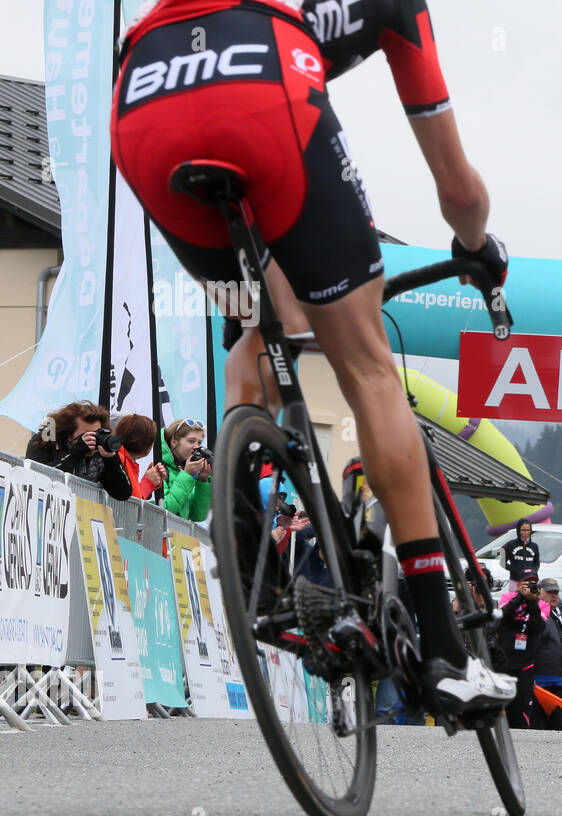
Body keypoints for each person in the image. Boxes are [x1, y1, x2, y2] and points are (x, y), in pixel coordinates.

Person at [110, 0, 516, 717]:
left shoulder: (283, 21)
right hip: (264, 95)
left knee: (265, 339)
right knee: (367, 368)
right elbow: (458, 192)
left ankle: (242, 552)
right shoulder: (375, 10)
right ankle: (447, 653)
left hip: (143, 99)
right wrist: (479, 246)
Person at [26, 402, 133, 501]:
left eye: (96, 433)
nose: (93, 439)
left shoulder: (99, 454)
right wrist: (76, 452)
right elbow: (41, 479)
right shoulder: (44, 442)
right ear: (68, 434)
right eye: (87, 435)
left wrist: (111, 459)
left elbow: (122, 493)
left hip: (80, 515)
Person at [496, 570, 547, 728]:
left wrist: (532, 602)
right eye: (527, 583)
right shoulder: (507, 598)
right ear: (518, 584)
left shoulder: (542, 604)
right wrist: (520, 597)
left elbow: (538, 627)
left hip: (525, 662)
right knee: (499, 703)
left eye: (533, 583)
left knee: (522, 706)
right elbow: (502, 617)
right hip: (504, 660)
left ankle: (521, 735)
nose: (530, 586)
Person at [531, 577, 562, 729]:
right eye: (549, 592)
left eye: (556, 592)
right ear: (539, 593)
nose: (554, 595)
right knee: (536, 728)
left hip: (559, 684)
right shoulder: (534, 616)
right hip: (538, 685)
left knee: (558, 728)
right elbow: (529, 648)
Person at [158, 419, 213, 521]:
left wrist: (203, 482)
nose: (196, 447)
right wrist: (187, 475)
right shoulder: (158, 467)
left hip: (177, 536)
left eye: (199, 442)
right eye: (191, 441)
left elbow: (198, 516)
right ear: (174, 442)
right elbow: (164, 510)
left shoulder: (186, 471)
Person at [112, 414, 168, 499]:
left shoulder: (119, 456)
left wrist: (150, 480)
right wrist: (148, 482)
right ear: (147, 446)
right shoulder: (120, 459)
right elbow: (130, 502)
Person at [501, 519, 541, 589]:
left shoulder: (534, 546)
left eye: (528, 530)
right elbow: (502, 563)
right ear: (518, 531)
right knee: (515, 599)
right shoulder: (510, 545)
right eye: (523, 530)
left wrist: (531, 571)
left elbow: (537, 564)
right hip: (515, 581)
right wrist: (515, 569)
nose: (525, 532)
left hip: (531, 581)